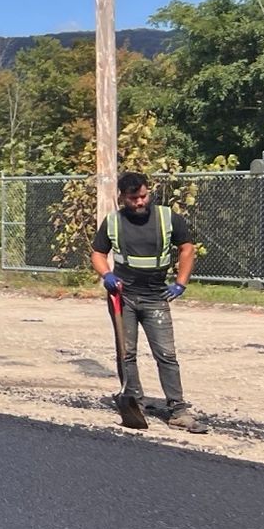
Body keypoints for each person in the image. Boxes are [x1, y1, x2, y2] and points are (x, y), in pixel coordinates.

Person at [90, 170, 205, 433]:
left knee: (166, 354)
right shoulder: (114, 222)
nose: (140, 202)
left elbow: (187, 248)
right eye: (133, 199)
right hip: (123, 296)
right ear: (122, 197)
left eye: (143, 196)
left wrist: (181, 282)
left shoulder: (167, 218)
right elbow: (98, 252)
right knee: (126, 352)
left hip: (156, 296)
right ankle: (133, 402)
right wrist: (106, 274)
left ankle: (178, 409)